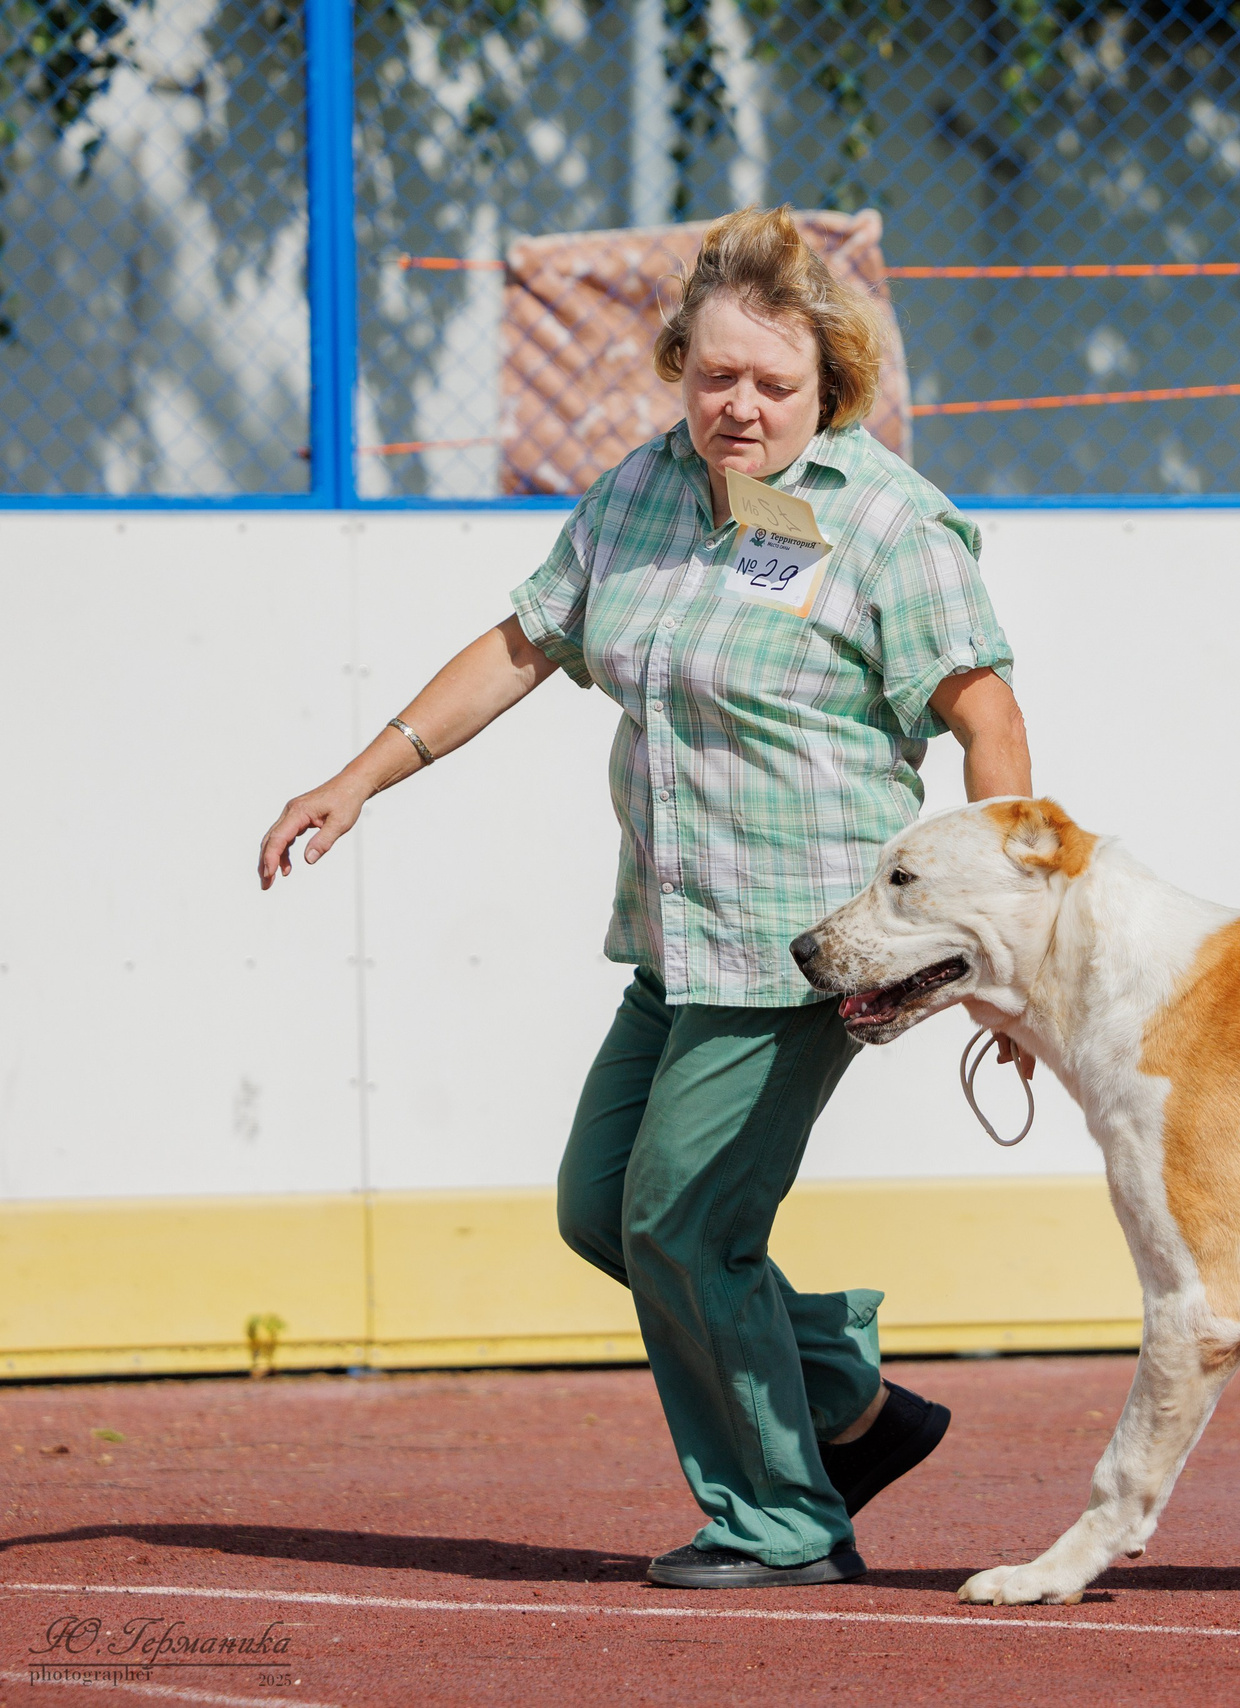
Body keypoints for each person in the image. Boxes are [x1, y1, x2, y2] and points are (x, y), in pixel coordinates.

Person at [258, 206, 1032, 1582]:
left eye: (772, 385)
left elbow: (984, 717)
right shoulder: (640, 491)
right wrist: (358, 778)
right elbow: (522, 642)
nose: (738, 407)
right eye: (714, 374)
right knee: (600, 1206)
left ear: (828, 388)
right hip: (679, 935)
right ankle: (845, 1395)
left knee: (682, 1220)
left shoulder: (894, 529)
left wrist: (997, 932)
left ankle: (782, 1520)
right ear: (679, 361)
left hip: (809, 944)